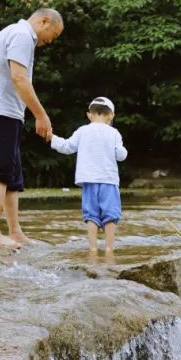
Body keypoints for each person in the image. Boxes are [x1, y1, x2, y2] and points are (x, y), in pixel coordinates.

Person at [0, 8, 64, 249]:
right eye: (52, 35)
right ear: (44, 21)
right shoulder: (22, 35)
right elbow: (19, 78)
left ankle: (15, 232)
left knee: (11, 176)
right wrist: (41, 115)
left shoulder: (18, 33)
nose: (50, 41)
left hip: (7, 112)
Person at [50, 97, 128, 257]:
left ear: (89, 115)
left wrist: (52, 138)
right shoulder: (114, 133)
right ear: (111, 115)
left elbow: (67, 147)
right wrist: (122, 152)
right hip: (108, 180)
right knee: (110, 214)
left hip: (88, 180)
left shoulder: (82, 131)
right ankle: (109, 248)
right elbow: (120, 155)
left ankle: (92, 248)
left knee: (91, 215)